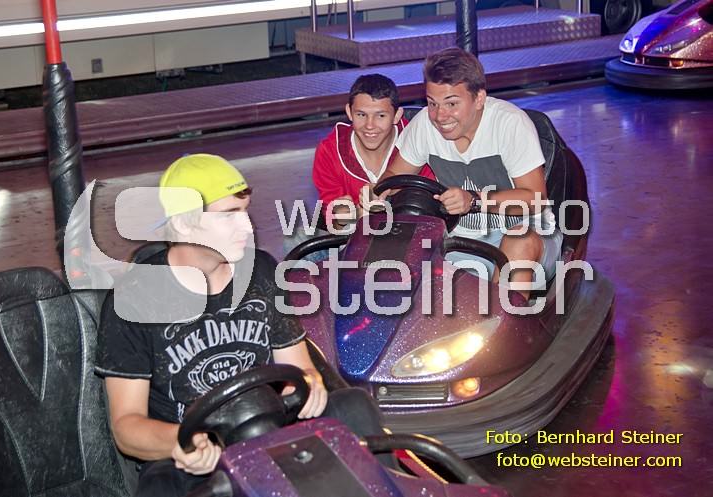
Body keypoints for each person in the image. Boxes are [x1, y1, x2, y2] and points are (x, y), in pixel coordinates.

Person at [96, 154, 387, 497]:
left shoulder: (261, 271)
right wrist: (179, 442)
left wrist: (310, 384)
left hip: (270, 427)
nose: (247, 227)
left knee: (354, 405)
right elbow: (126, 426)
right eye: (228, 215)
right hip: (196, 454)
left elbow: (300, 368)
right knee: (160, 488)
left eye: (245, 212)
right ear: (184, 223)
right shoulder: (133, 300)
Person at [378, 47, 562, 296]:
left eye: (451, 103)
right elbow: (393, 177)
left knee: (518, 240)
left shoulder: (510, 124)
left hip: (529, 233)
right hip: (462, 238)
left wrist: (474, 200)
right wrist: (376, 193)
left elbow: (535, 198)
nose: (439, 116)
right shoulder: (424, 124)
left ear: (479, 99)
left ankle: (507, 319)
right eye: (432, 103)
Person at [284, 74, 434, 256]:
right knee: (296, 238)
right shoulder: (330, 150)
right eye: (361, 115)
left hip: (408, 235)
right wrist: (343, 217)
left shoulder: (416, 141)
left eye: (380, 116)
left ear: (396, 115)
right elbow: (333, 219)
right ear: (349, 112)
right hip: (353, 236)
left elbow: (431, 204)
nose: (370, 125)